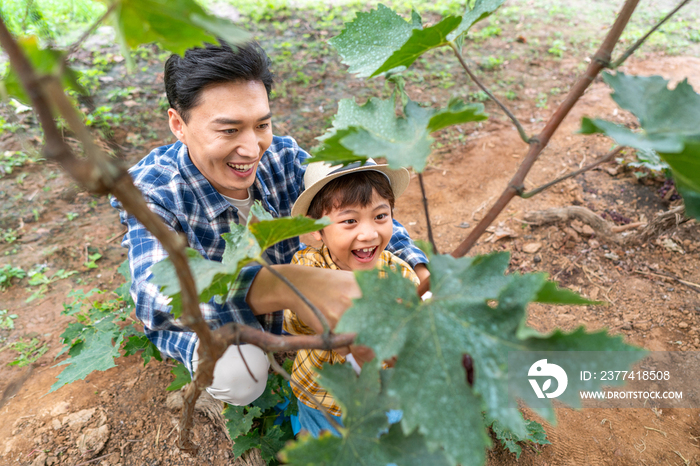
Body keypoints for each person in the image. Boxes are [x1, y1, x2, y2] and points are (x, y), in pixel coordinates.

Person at [110, 40, 429, 407]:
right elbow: (159, 297)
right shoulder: (152, 192)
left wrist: (419, 273)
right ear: (178, 124)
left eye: (261, 124)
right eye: (229, 131)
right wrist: (292, 284)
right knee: (240, 374)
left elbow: (357, 203)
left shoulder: (281, 154)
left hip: (297, 322)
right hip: (224, 320)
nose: (252, 148)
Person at [283, 160, 418, 437]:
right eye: (349, 221)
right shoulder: (307, 270)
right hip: (321, 398)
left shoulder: (400, 276)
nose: (368, 233)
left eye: (380, 216)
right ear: (316, 231)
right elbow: (290, 321)